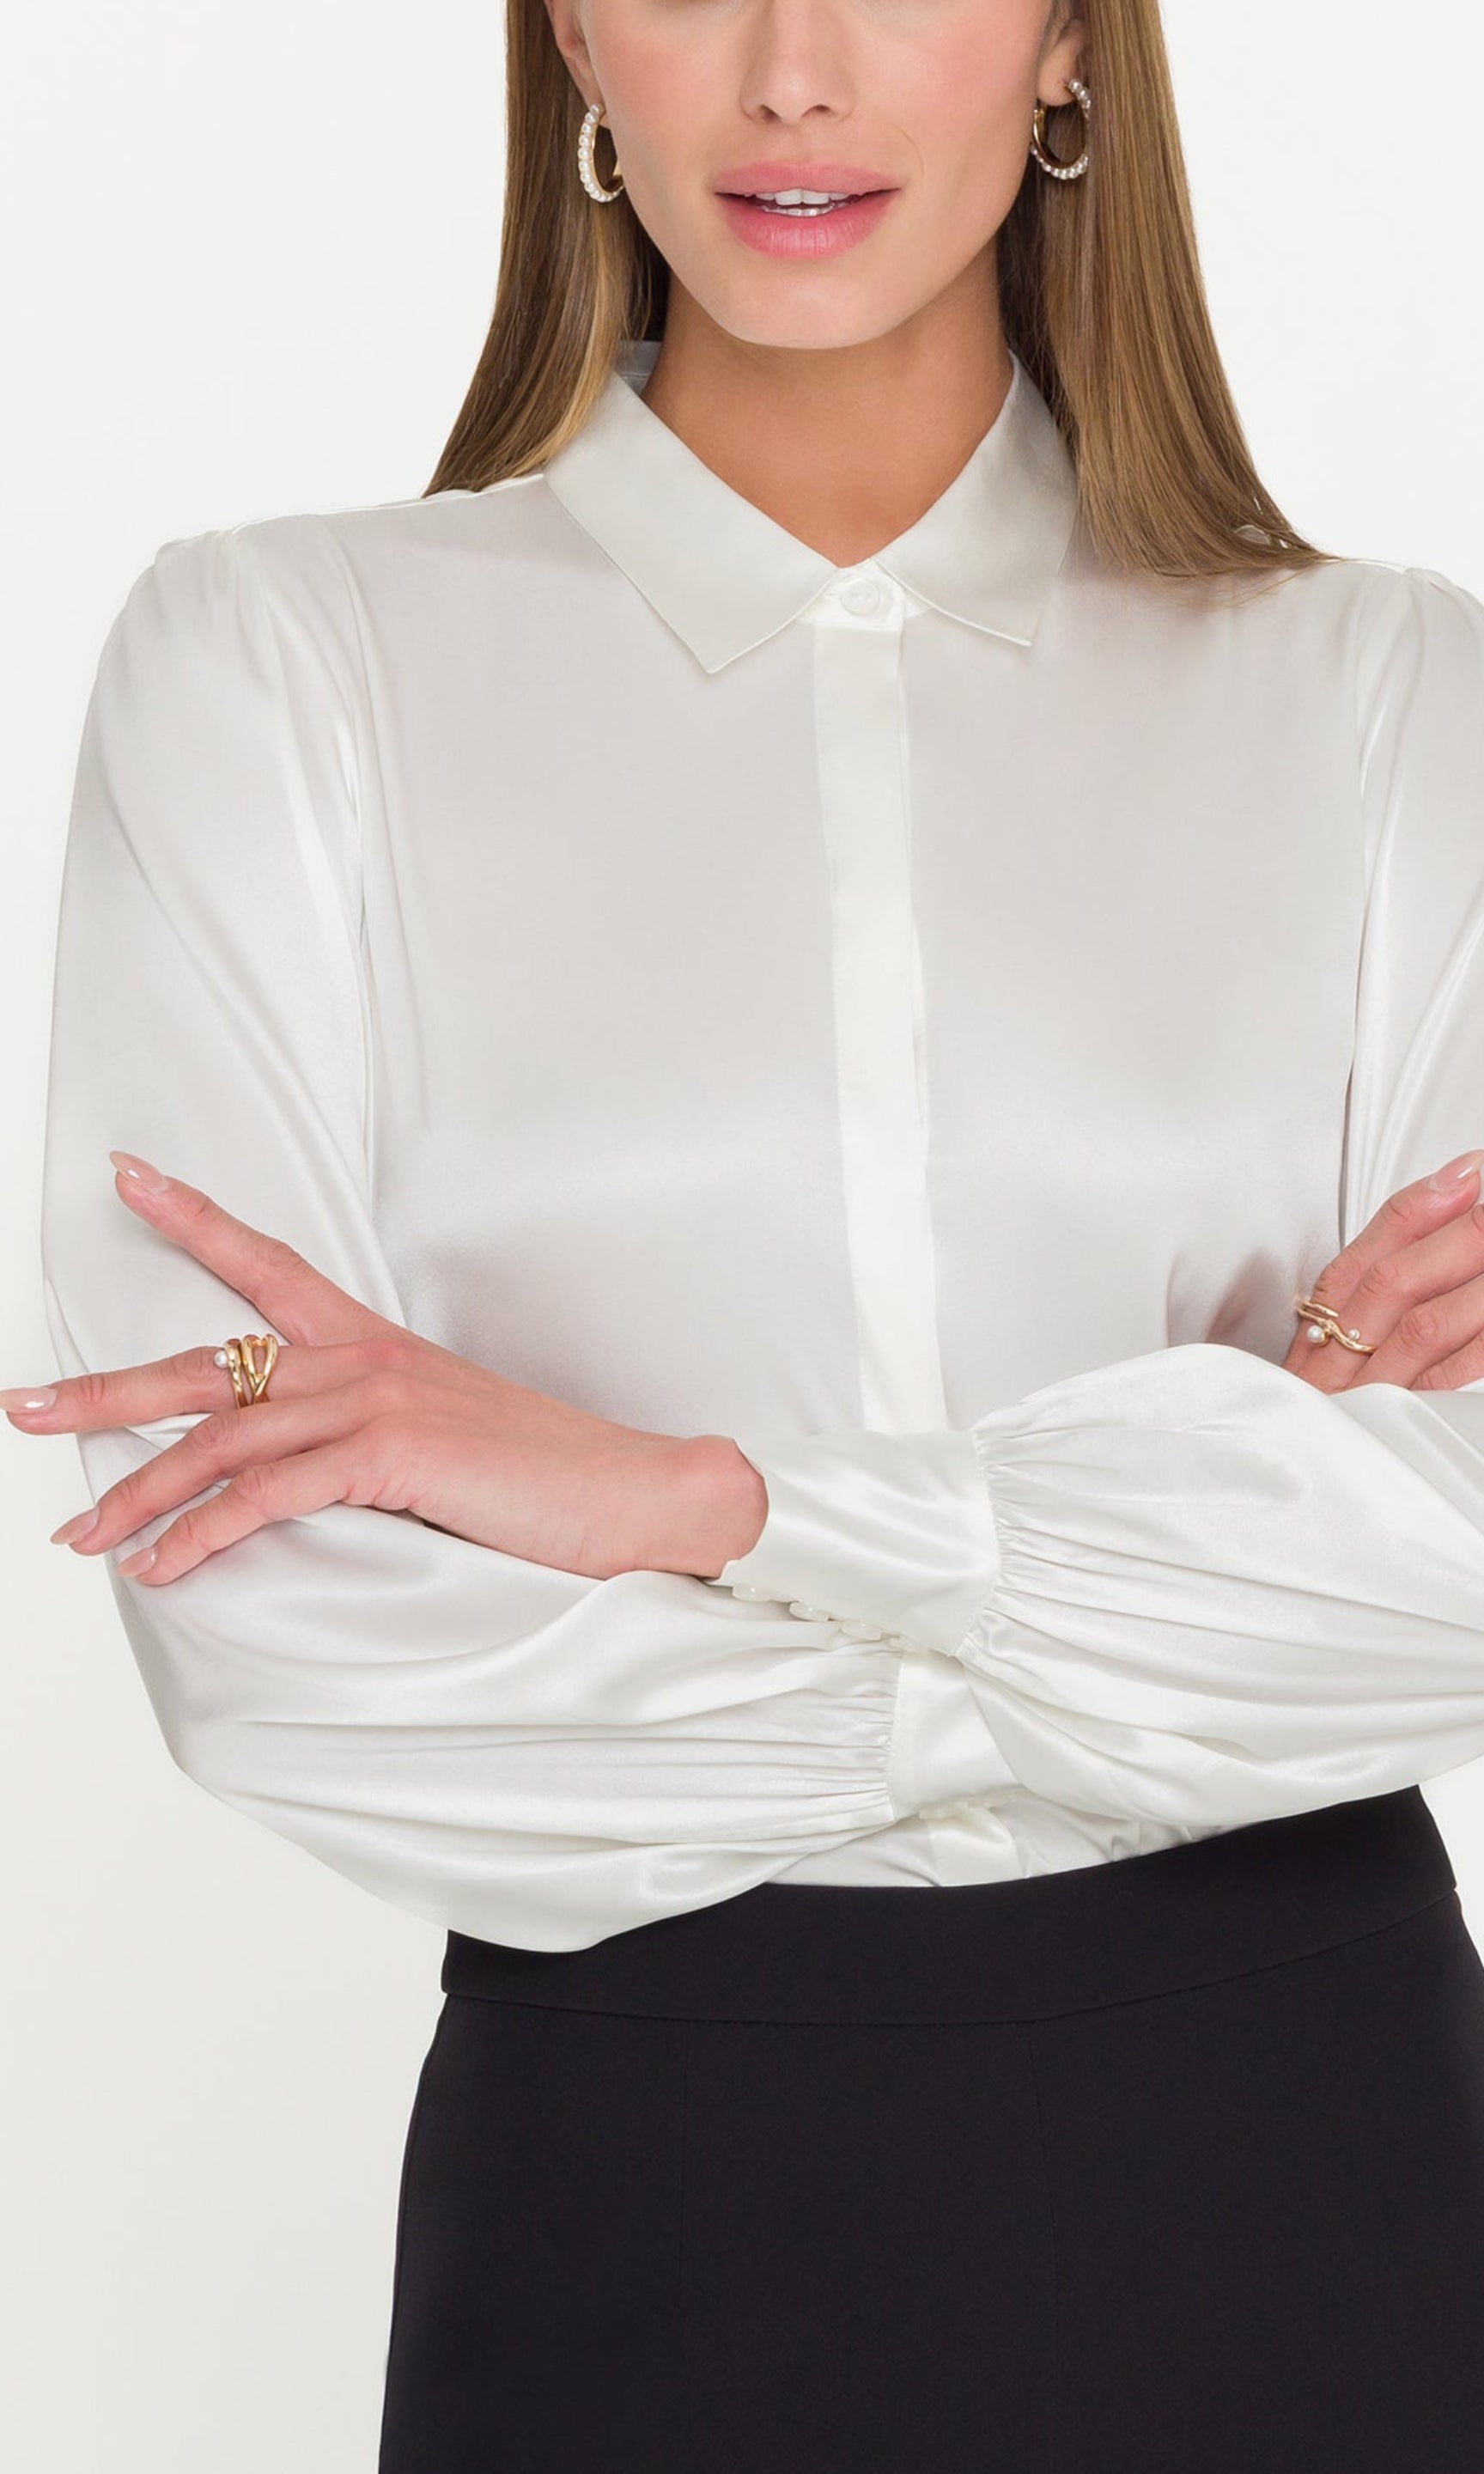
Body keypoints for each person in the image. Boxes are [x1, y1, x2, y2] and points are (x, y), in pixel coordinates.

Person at [10, 0, 1484, 2461]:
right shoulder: (282, 676)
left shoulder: (1396, 708)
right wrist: (1217, 1504)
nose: (792, 72)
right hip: (638, 2190)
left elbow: (1458, 1565)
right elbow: (283, 1641)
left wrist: (682, 1506)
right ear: (574, 31)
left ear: (1065, 48)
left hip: (1309, 2165)